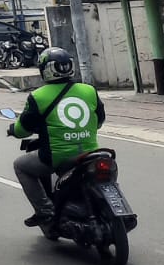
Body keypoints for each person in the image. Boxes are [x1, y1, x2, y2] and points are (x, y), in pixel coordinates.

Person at [8, 47, 105, 228]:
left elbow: (24, 130)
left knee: (20, 166)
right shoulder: (89, 90)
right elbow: (100, 121)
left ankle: (44, 210)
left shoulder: (38, 96)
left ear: (46, 69)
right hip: (92, 152)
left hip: (57, 156)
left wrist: (14, 130)